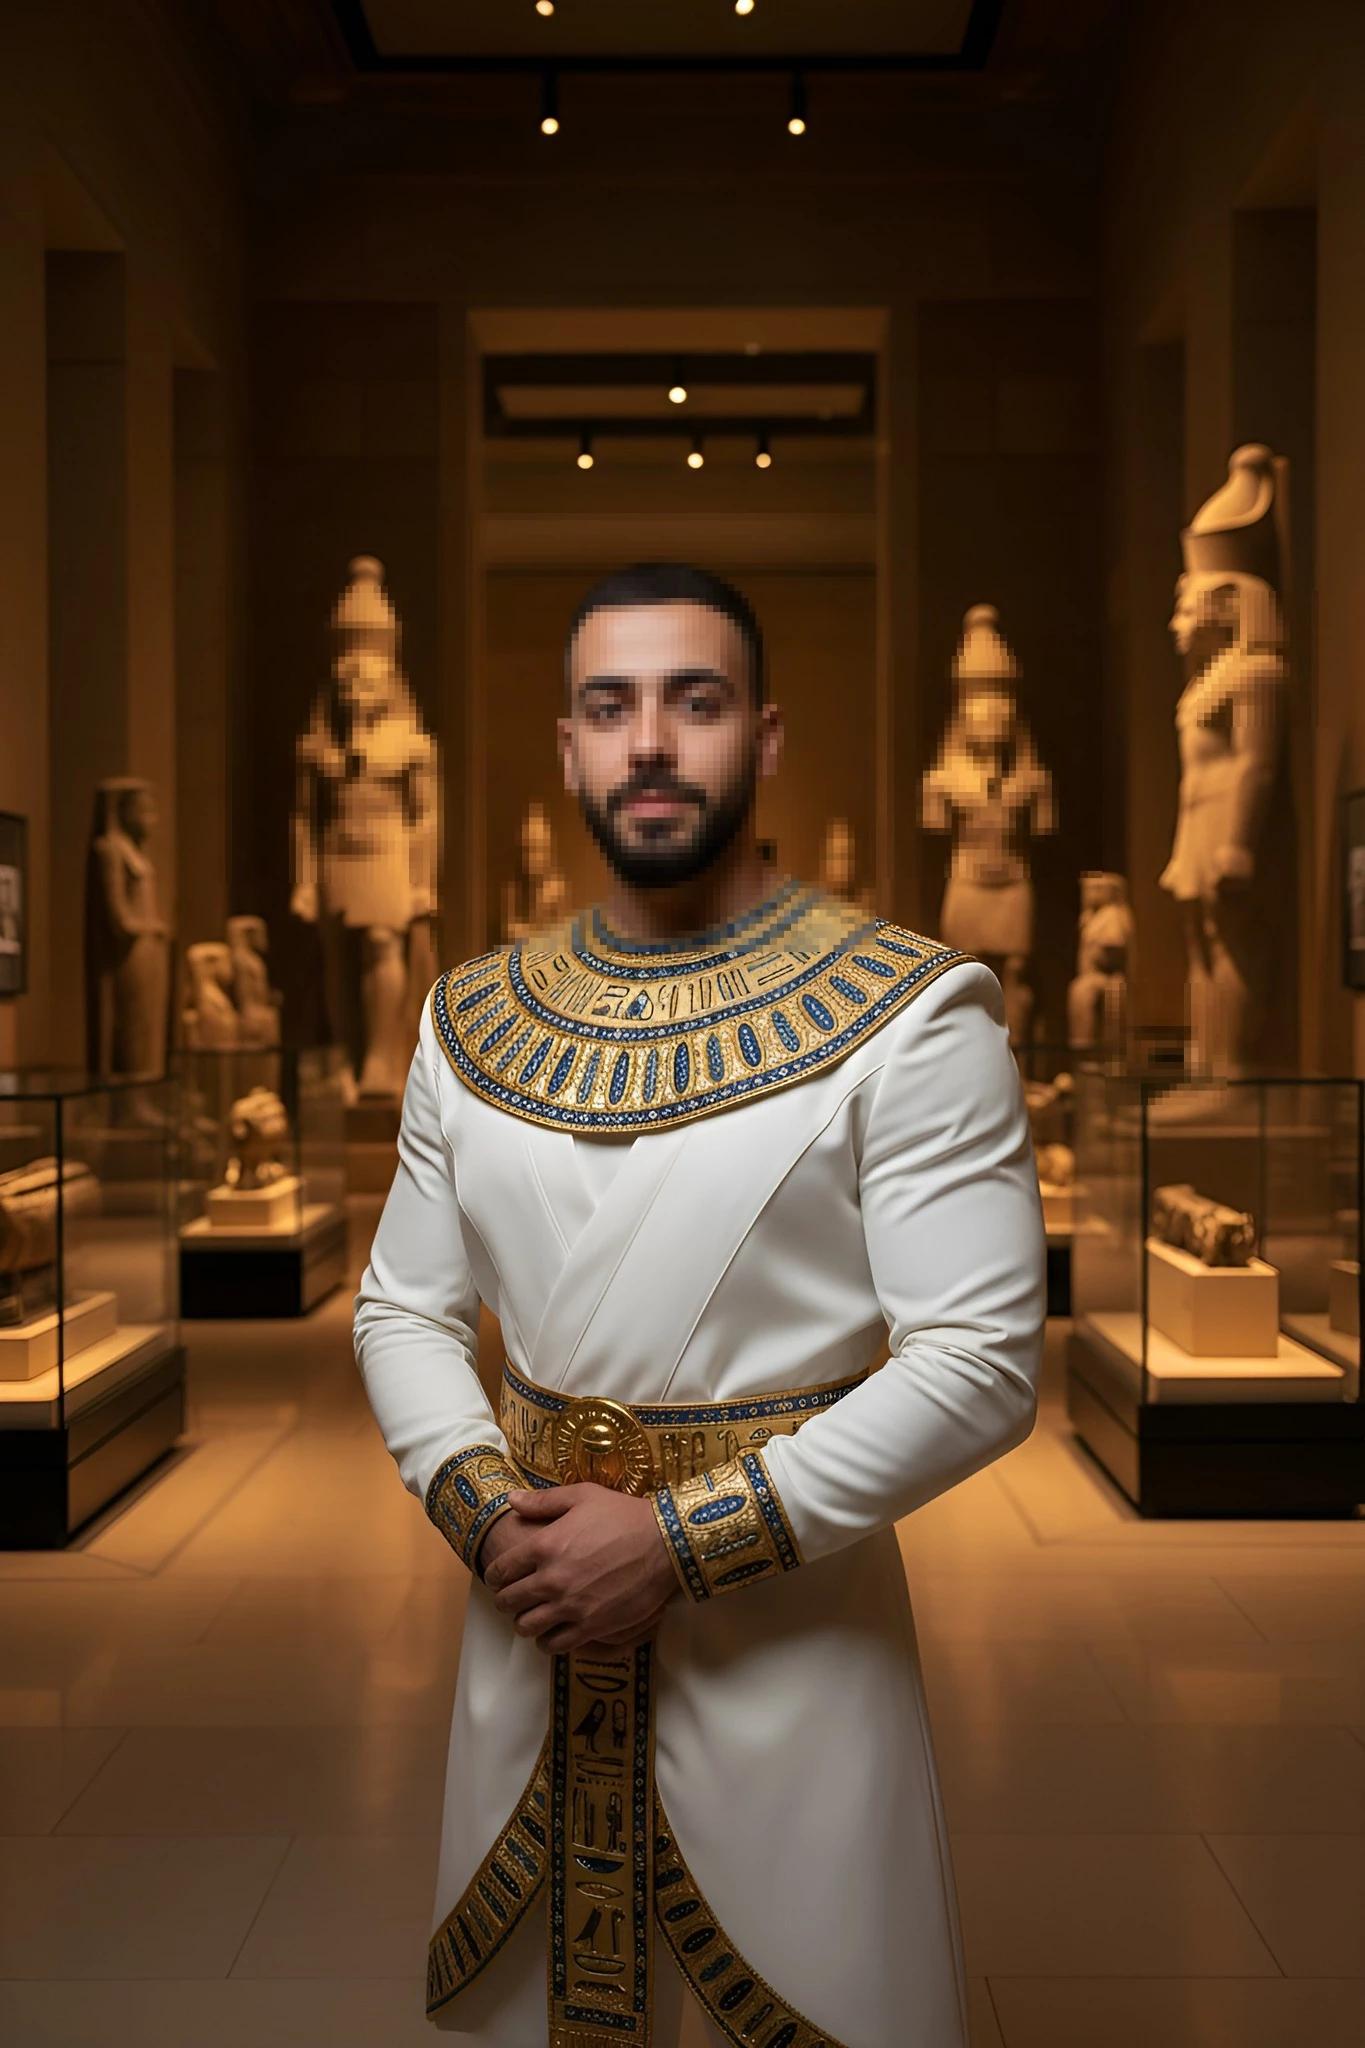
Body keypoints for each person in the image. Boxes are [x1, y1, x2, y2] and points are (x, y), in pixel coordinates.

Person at [355, 562, 1046, 2048]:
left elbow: (982, 1362)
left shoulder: (914, 1012)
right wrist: (489, 1513)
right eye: (611, 706)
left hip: (795, 1651)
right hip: (528, 1612)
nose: (650, 741)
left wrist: (678, 1539)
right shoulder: (465, 1015)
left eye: (696, 701)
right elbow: (402, 1311)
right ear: (568, 748)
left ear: (766, 737)